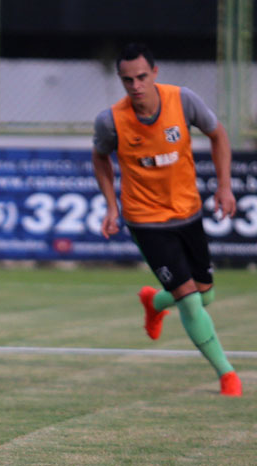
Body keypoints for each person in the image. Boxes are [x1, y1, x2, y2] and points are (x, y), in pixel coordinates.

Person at [92, 43, 242, 396]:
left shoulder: (183, 100)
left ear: (155, 73)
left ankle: (155, 302)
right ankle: (227, 374)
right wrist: (113, 207)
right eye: (128, 80)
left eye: (142, 77)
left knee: (205, 296)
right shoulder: (111, 120)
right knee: (190, 299)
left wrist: (225, 187)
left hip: (187, 213)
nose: (136, 85)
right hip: (145, 220)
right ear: (121, 80)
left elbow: (218, 134)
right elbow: (99, 158)